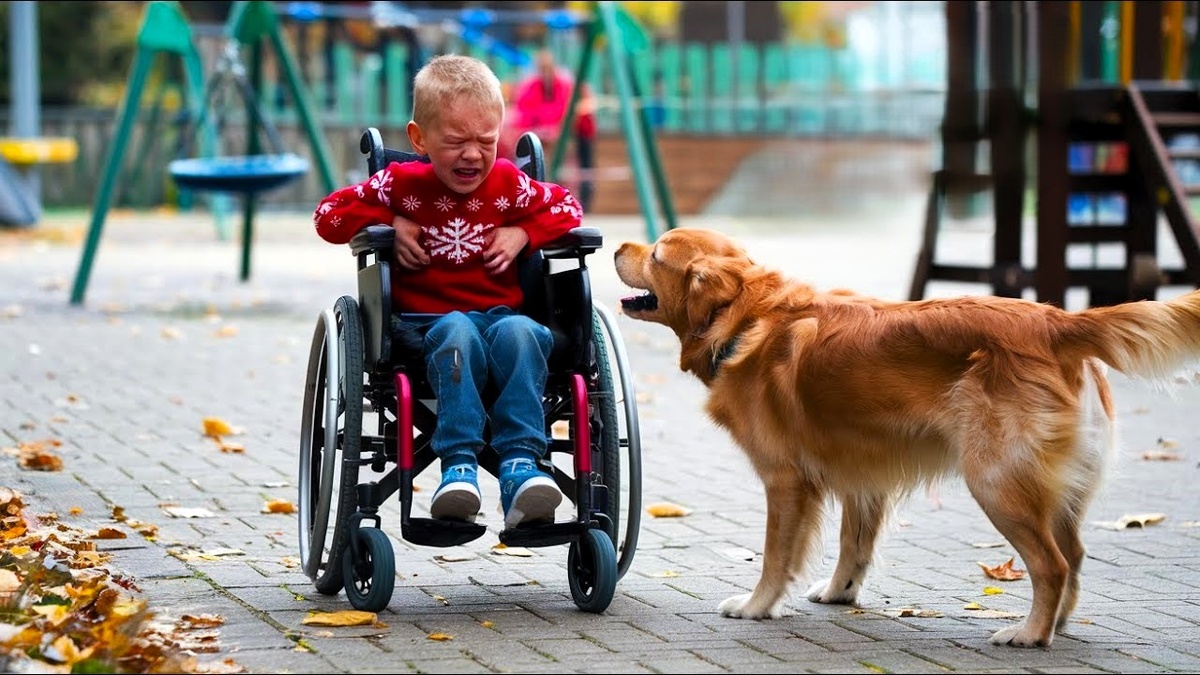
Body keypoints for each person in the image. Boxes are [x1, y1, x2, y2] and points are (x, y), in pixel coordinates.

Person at [312, 54, 584, 529]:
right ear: (419, 139)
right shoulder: (400, 184)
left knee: (524, 332)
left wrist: (524, 232)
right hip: (424, 327)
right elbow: (328, 217)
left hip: (500, 319)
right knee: (457, 330)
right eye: (456, 142)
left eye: (486, 141)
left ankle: (521, 466)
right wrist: (390, 221)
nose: (473, 155)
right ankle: (458, 467)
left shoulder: (508, 184)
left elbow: (568, 208)